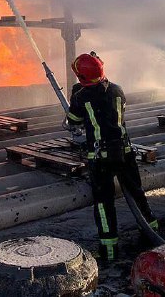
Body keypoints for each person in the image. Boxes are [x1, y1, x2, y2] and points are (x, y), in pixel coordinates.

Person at [66, 52, 157, 261]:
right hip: (125, 153)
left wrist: (74, 96)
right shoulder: (118, 90)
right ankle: (150, 235)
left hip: (100, 158)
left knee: (104, 204)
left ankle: (109, 252)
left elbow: (73, 121)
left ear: (81, 78)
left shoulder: (82, 97)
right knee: (137, 195)